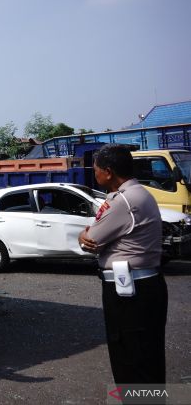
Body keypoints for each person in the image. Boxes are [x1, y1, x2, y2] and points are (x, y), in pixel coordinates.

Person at [78, 144, 166, 384]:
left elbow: (91, 239)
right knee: (145, 358)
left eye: (95, 169)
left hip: (131, 292)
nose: (94, 174)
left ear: (108, 172)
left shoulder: (124, 201)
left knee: (132, 360)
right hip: (140, 287)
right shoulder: (137, 194)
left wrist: (82, 234)